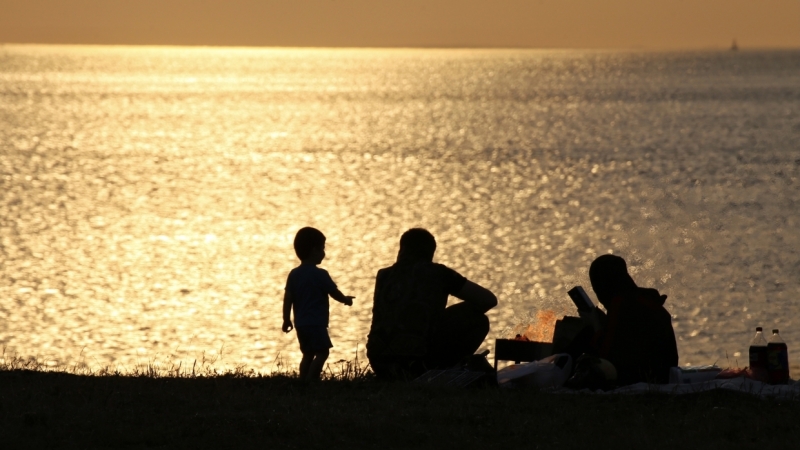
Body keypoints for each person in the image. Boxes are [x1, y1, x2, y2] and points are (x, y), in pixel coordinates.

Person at [366, 228, 497, 380]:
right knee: (478, 319)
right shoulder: (439, 273)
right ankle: (444, 368)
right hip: (417, 365)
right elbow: (489, 300)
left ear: (401, 250)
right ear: (431, 253)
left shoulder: (384, 275)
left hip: (380, 364)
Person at [584, 254, 679, 385]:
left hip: (639, 379)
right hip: (663, 377)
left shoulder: (621, 304)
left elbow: (605, 355)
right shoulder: (645, 300)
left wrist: (595, 326)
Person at [282, 227, 354, 381]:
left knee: (307, 354)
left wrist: (286, 319)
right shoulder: (321, 274)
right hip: (316, 323)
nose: (324, 252)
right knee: (323, 352)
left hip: (301, 323)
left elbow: (288, 299)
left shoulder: (294, 274)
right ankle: (311, 381)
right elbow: (334, 292)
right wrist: (346, 300)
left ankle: (303, 380)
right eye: (322, 248)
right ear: (314, 250)